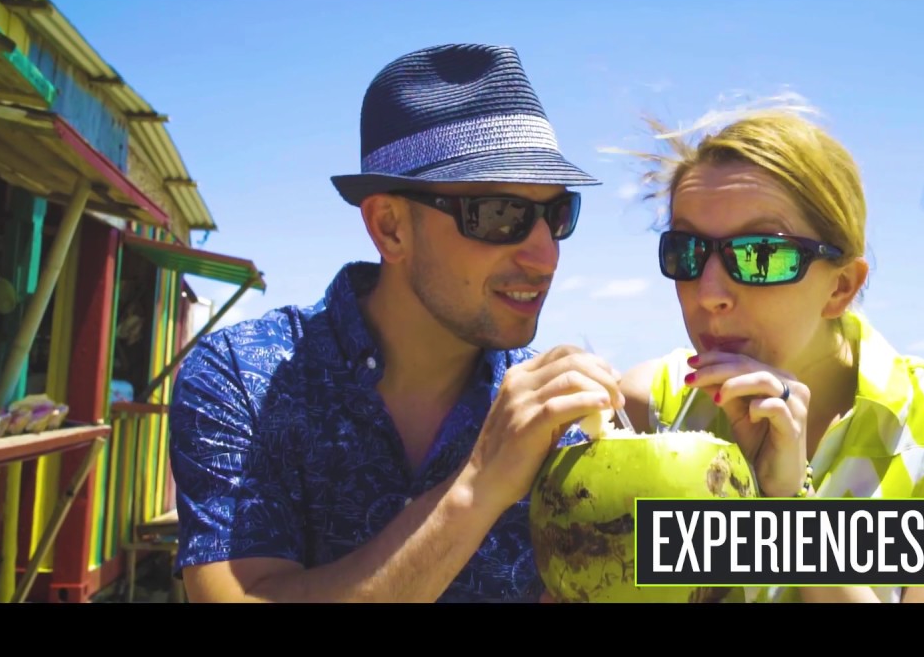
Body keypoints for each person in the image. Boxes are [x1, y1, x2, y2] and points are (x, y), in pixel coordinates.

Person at [167, 43, 624, 602]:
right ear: (390, 227)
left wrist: (739, 469)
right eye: (501, 214)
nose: (545, 256)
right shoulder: (241, 378)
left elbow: (654, 574)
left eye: (556, 215)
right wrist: (478, 484)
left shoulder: (560, 421)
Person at [618, 99, 924, 603]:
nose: (708, 293)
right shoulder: (650, 408)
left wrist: (793, 509)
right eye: (687, 251)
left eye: (761, 255)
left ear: (841, 286)